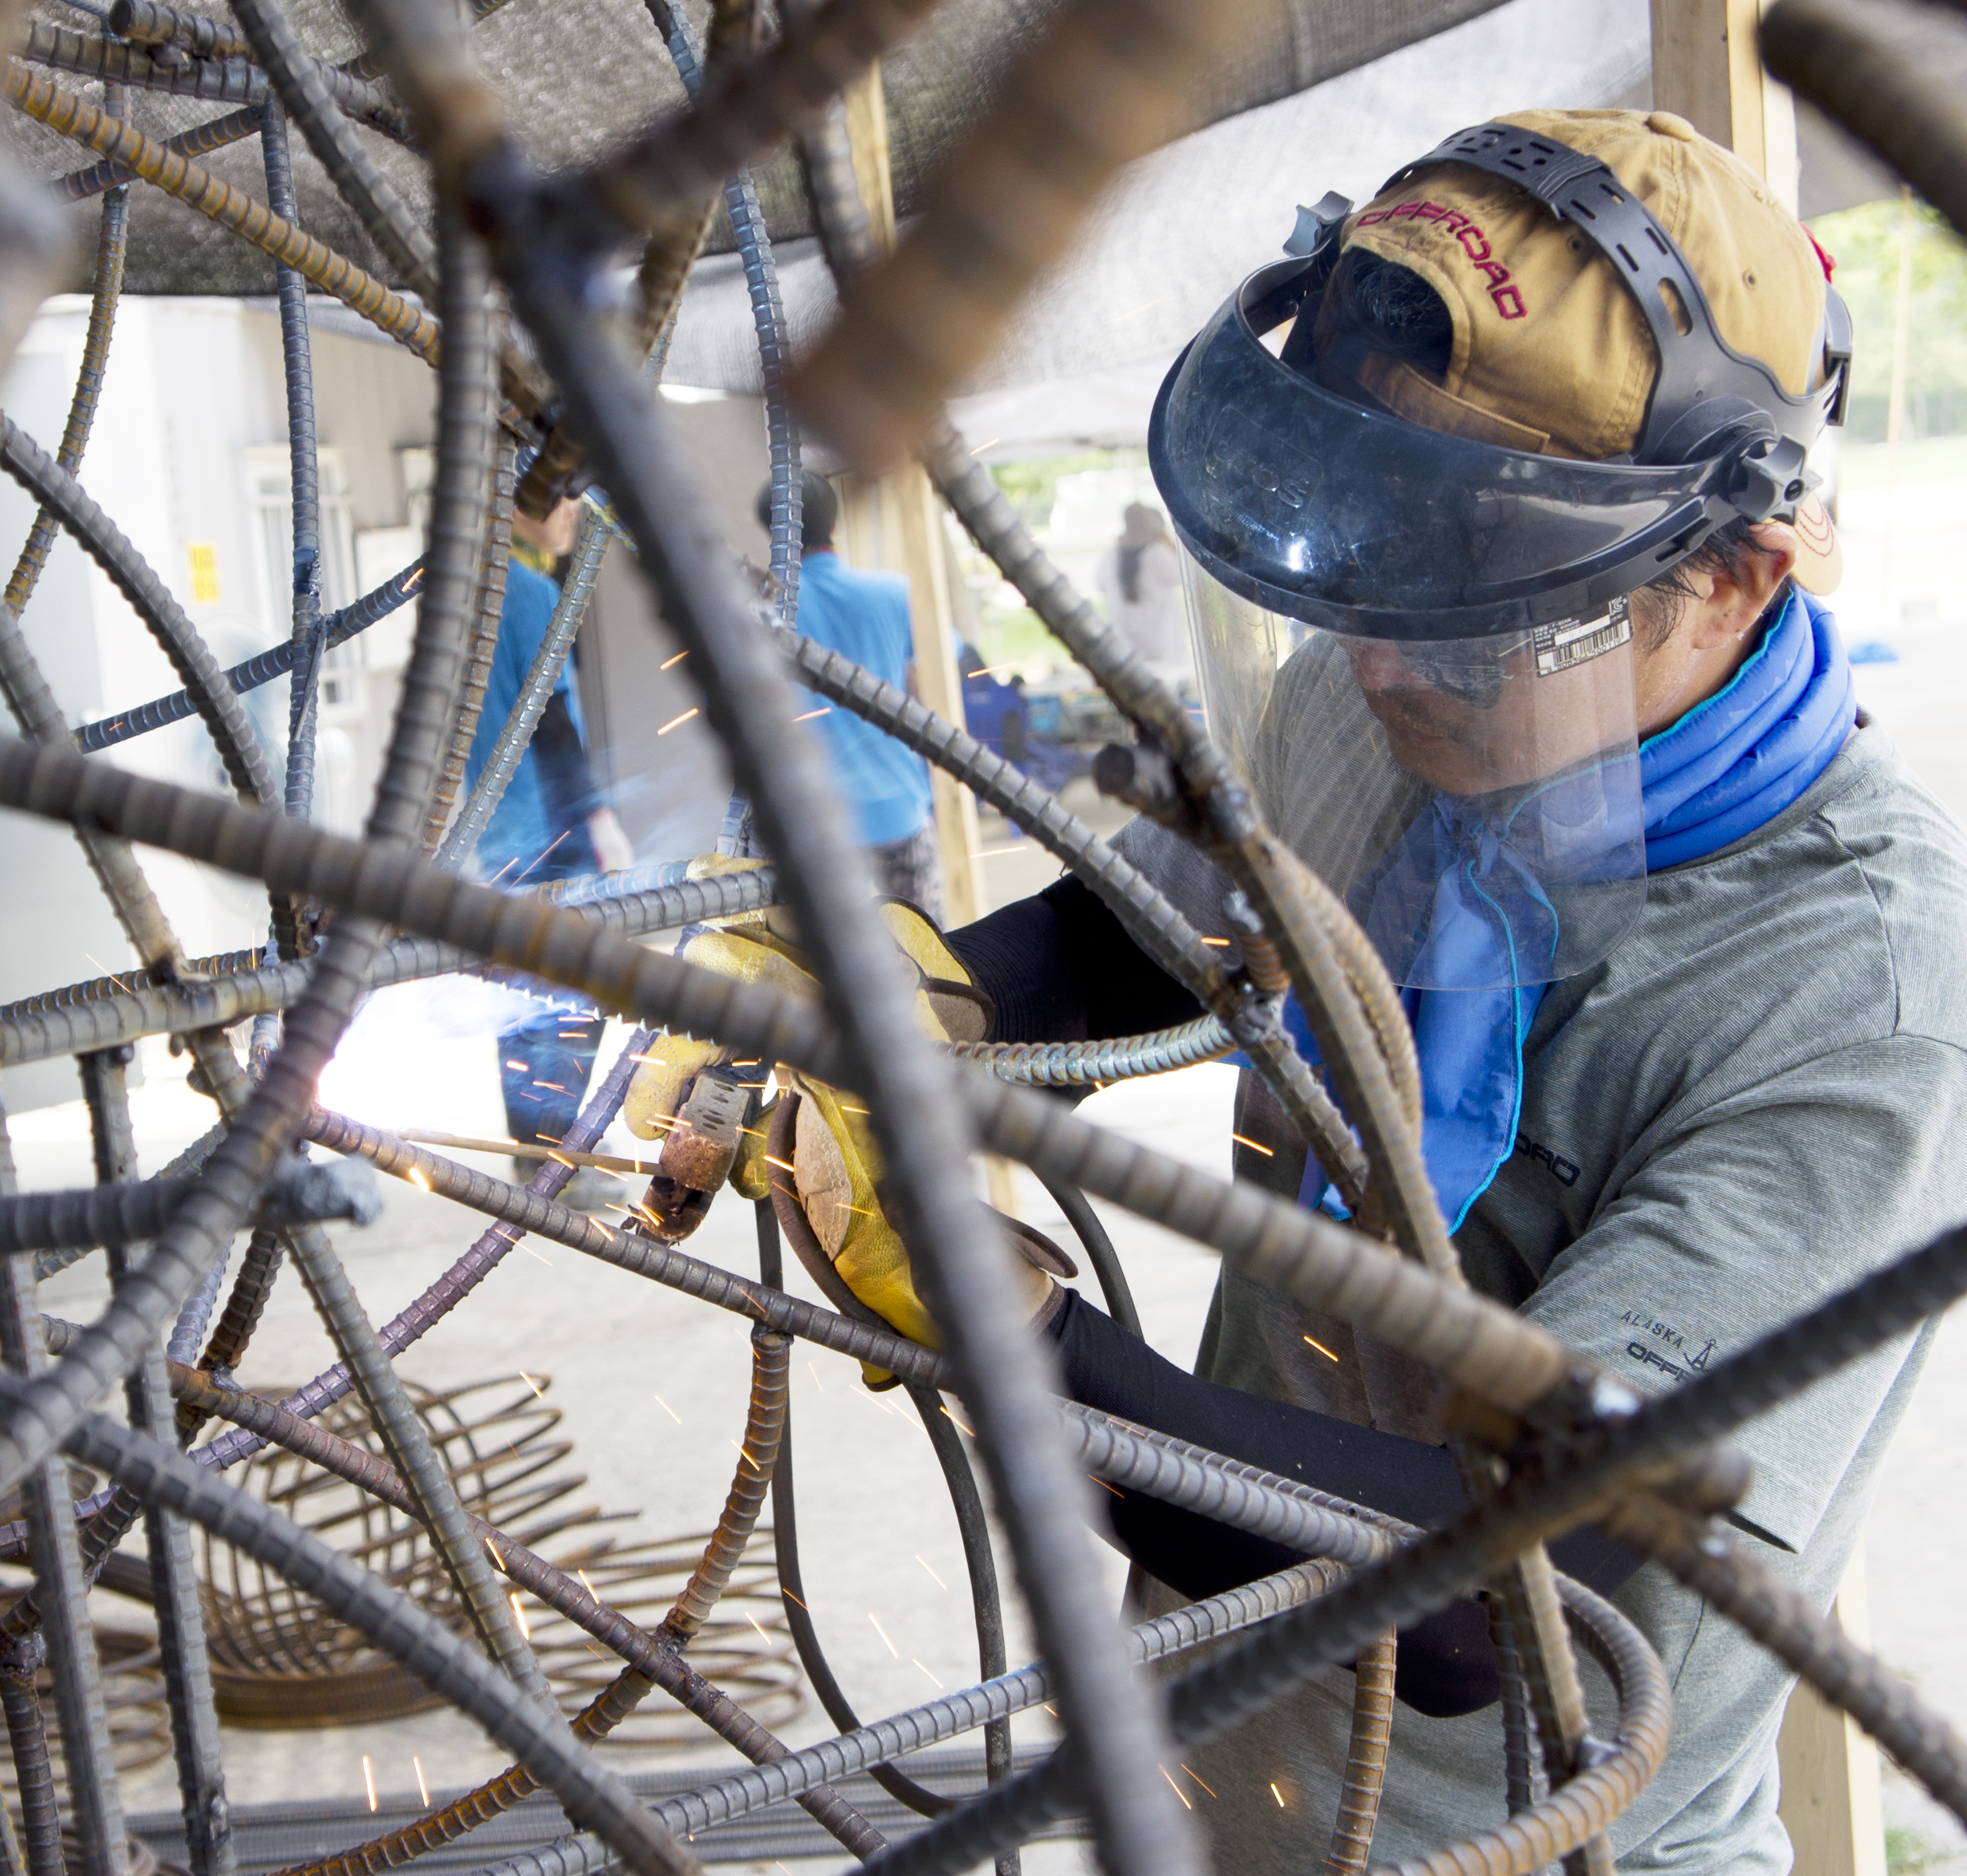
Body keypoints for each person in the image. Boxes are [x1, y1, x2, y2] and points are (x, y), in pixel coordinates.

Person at [668, 112, 1967, 1870]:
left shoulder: (1855, 1001)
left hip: (1528, 1833)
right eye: (1357, 563)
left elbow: (1511, 1580)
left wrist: (1017, 1333)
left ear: (1725, 573)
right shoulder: (1393, 703)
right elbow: (1173, 931)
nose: (1367, 659)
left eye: (1462, 610)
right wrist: (874, 998)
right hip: (1219, 1766)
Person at [465, 494, 633, 1168]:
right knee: (573, 997)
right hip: (548, 828)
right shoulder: (529, 591)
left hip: (498, 834)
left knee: (524, 995)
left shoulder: (470, 592)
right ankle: (556, 1161)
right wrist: (601, 821)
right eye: (560, 493)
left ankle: (535, 1158)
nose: (574, 508)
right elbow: (553, 722)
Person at [761, 471, 946, 920]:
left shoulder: (765, 616)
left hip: (813, 825)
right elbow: (939, 680)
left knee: (820, 969)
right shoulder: (894, 593)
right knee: (930, 958)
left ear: (772, 535)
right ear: (836, 525)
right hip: (898, 809)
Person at [1098, 500, 1190, 691]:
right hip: (1162, 647)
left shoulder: (1111, 557)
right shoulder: (1157, 554)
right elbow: (1186, 573)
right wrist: (1167, 541)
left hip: (1127, 646)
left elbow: (1100, 585)